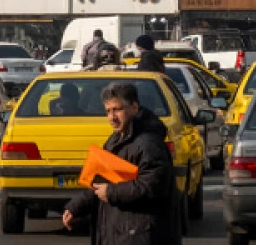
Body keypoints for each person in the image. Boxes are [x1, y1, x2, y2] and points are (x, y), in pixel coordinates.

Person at [62, 81, 181, 244]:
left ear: (134, 107)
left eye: (117, 109)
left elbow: (152, 186)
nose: (112, 117)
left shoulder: (148, 143)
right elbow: (100, 180)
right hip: (120, 231)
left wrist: (111, 192)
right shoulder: (115, 140)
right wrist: (77, 207)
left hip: (141, 234)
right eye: (108, 111)